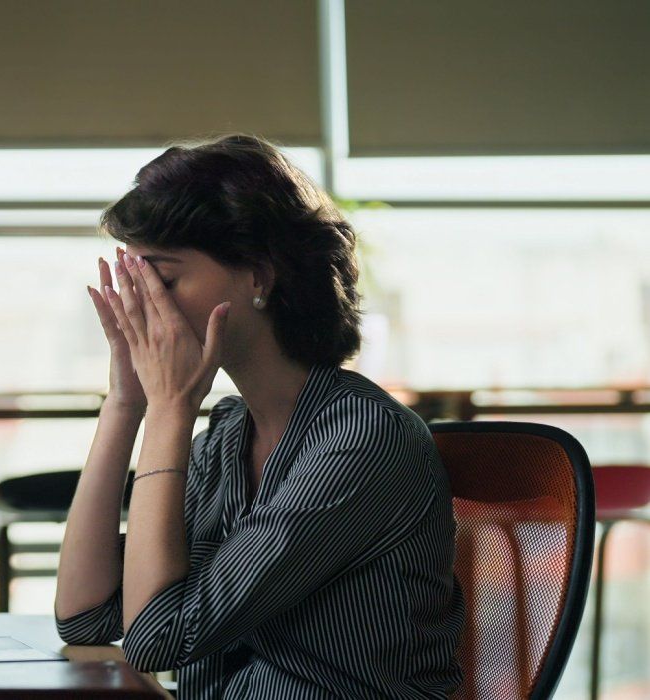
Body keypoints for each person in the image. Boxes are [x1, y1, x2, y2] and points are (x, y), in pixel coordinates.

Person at [54, 134, 464, 698]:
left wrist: (171, 410)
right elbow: (85, 617)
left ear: (258, 278)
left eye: (163, 281)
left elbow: (156, 640)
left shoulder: (361, 439)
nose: (143, 306)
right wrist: (125, 403)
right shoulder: (226, 438)